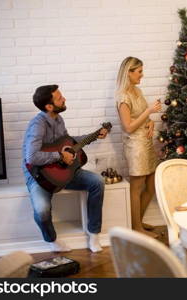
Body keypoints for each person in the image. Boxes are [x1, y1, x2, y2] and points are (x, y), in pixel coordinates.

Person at [22, 85, 109, 253]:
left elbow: (67, 143)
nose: (64, 99)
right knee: (42, 210)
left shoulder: (58, 119)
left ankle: (94, 234)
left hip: (62, 172)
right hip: (39, 176)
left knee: (97, 182)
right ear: (49, 106)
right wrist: (59, 156)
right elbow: (31, 157)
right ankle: (51, 240)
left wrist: (93, 136)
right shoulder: (37, 125)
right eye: (60, 98)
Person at [115, 57, 162, 238]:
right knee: (136, 188)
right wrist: (149, 112)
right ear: (129, 72)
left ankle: (138, 221)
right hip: (135, 147)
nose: (142, 74)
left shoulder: (137, 91)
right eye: (139, 71)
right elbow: (128, 126)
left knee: (151, 186)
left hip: (146, 144)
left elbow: (140, 117)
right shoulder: (123, 97)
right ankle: (136, 228)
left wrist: (150, 122)